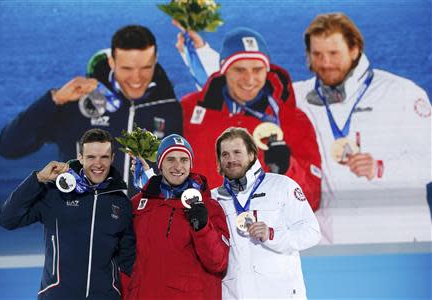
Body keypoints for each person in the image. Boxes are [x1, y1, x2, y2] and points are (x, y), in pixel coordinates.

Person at [293, 13, 432, 244]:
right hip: (330, 242)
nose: (325, 63)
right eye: (317, 54)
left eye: (334, 53)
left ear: (355, 50)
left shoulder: (401, 93)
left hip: (398, 239)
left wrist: (382, 169)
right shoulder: (298, 97)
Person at [0, 25, 182, 193]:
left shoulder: (168, 108)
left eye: (145, 68)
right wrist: (54, 100)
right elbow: (9, 147)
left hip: (144, 227)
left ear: (156, 59)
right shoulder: (79, 103)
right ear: (111, 62)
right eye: (126, 68)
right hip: (83, 226)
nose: (137, 78)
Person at [180, 27, 323, 211]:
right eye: (239, 70)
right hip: (204, 231)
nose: (249, 80)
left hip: (261, 234)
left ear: (267, 70)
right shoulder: (190, 110)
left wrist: (288, 168)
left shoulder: (293, 119)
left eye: (258, 69)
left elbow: (313, 200)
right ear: (224, 70)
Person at [0, 128, 135, 300]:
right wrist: (38, 179)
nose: (98, 163)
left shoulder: (121, 202)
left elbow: (129, 259)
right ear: (80, 157)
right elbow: (7, 219)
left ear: (113, 158)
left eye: (104, 157)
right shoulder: (55, 192)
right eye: (91, 157)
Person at [211, 127, 320, 299]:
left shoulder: (282, 186)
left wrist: (272, 235)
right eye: (225, 154)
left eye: (237, 152)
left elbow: (311, 232)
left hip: (279, 293)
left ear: (252, 155)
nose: (231, 159)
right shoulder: (213, 199)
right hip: (234, 294)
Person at [122, 134, 229, 299]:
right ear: (160, 164)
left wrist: (203, 228)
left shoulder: (209, 206)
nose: (178, 167)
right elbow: (127, 258)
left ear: (191, 164)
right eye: (170, 159)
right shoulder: (139, 204)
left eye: (184, 160)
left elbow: (218, 263)